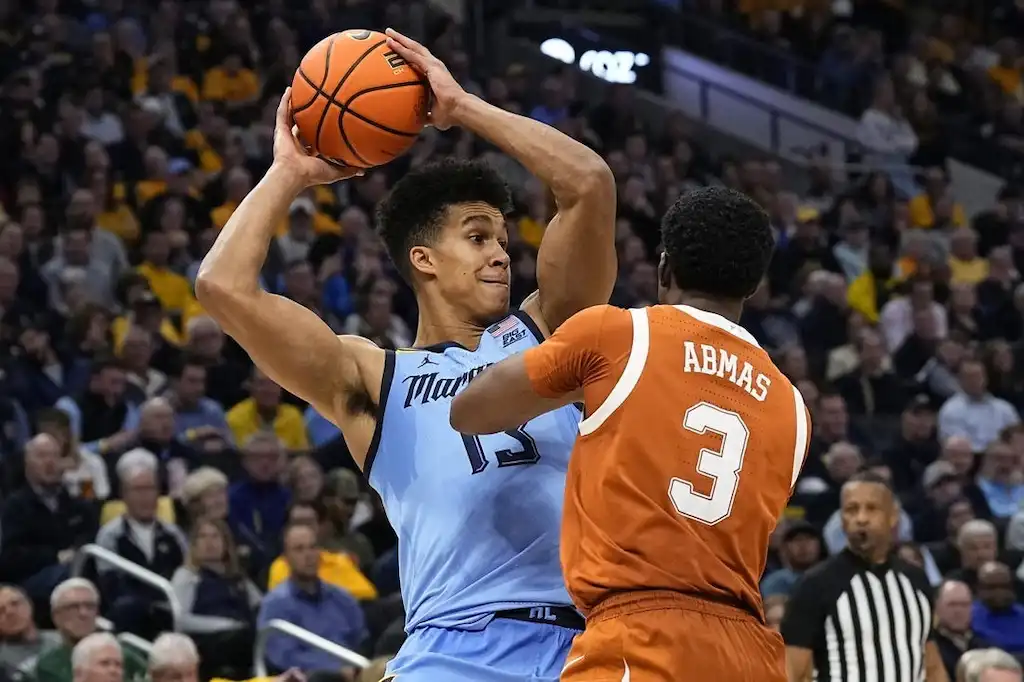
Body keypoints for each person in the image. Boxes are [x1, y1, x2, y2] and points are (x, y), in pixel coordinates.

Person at [196, 28, 615, 682]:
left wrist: (463, 108)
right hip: (453, 649)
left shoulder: (551, 329)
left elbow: (587, 183)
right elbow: (222, 287)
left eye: (502, 238)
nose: (501, 253)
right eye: (477, 238)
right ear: (423, 260)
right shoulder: (375, 378)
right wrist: (290, 172)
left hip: (584, 645)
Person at [452, 186, 798, 681]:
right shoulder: (793, 405)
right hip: (750, 651)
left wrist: (572, 377)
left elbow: (471, 411)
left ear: (663, 269)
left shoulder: (617, 336)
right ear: (754, 286)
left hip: (641, 635)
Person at [780, 472, 949, 682]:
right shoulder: (815, 585)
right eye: (851, 509)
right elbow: (790, 671)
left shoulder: (916, 581)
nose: (861, 519)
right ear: (842, 520)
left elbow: (931, 665)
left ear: (893, 516)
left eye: (872, 508)